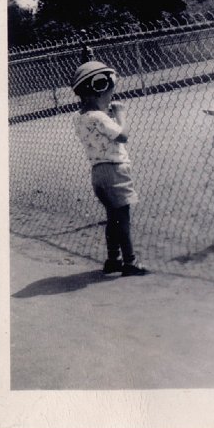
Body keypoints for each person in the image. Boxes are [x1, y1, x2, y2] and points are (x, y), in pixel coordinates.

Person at [72, 60, 149, 277]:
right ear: (96, 92)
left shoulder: (79, 118)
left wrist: (107, 113)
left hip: (98, 173)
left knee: (112, 217)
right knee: (122, 217)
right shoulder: (100, 117)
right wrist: (121, 114)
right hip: (115, 172)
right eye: (109, 94)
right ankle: (130, 262)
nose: (111, 99)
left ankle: (113, 259)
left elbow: (100, 131)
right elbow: (123, 136)